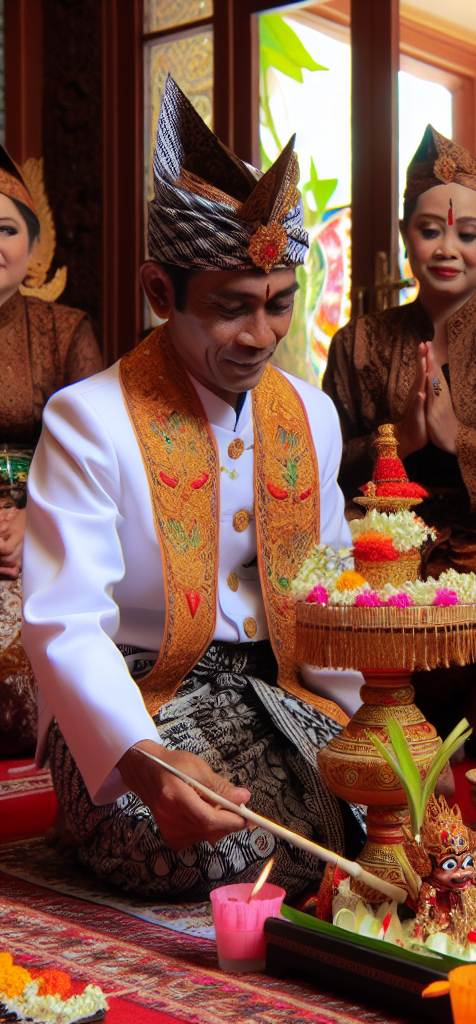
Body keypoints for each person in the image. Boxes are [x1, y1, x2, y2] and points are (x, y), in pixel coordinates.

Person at [21, 78, 365, 898]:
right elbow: (64, 622)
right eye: (231, 308)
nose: (262, 335)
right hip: (137, 694)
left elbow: (334, 586)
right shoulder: (88, 418)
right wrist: (141, 761)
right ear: (157, 292)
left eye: (280, 305)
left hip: (277, 686)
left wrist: (374, 726)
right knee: (210, 847)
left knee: (386, 818)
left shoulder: (311, 415)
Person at [323, 126, 476, 760]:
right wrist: (402, 440)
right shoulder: (356, 342)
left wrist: (458, 438)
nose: (448, 248)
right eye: (430, 230)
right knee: (332, 597)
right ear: (407, 236)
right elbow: (323, 469)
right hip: (383, 537)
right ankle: (373, 755)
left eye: (468, 234)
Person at [0, 146, 103, 755]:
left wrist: (33, 522)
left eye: (6, 228)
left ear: (33, 246)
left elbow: (93, 460)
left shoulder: (66, 331)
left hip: (43, 534)